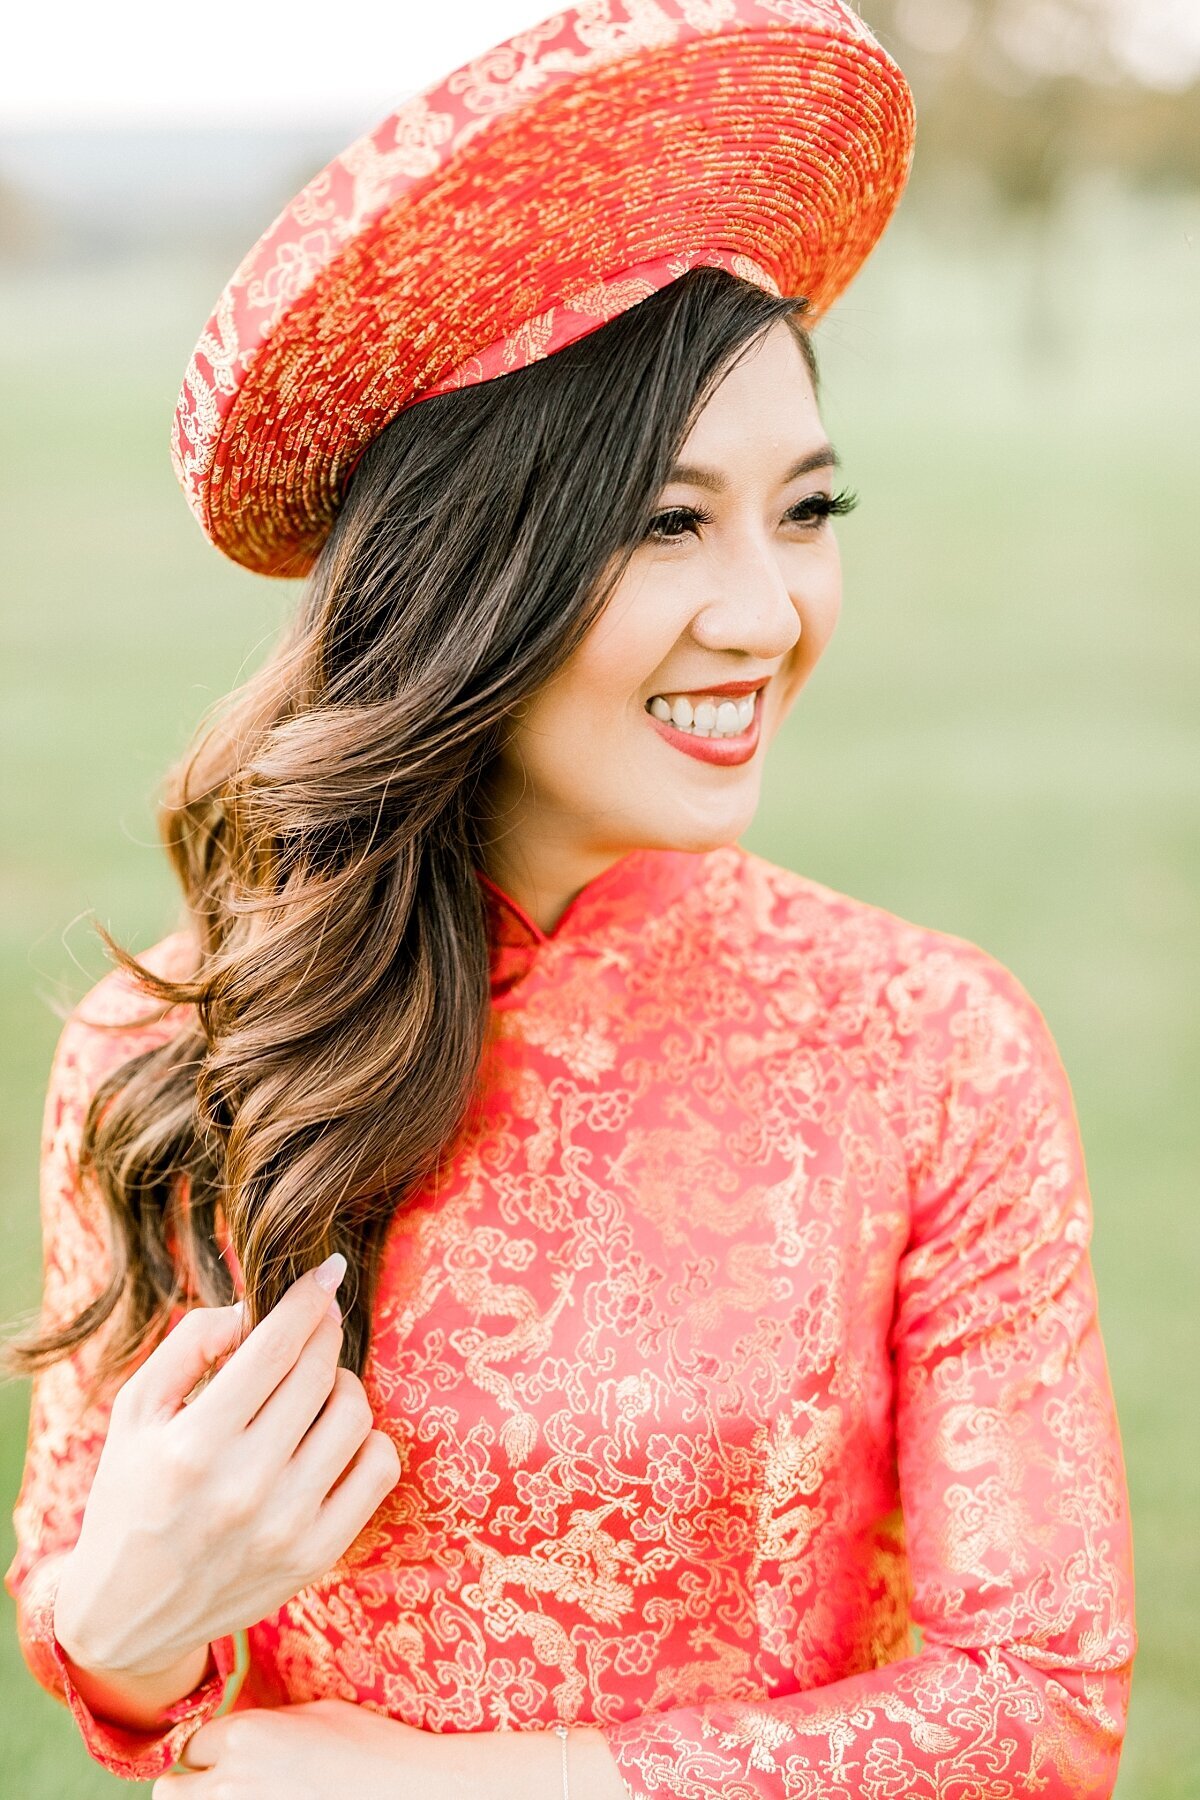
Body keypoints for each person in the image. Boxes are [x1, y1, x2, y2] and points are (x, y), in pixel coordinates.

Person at [4, 3, 1135, 1797]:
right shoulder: (173, 1056)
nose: (766, 613)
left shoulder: (928, 1050)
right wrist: (119, 1630)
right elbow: (111, 1651)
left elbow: (1045, 1701)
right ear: (475, 572)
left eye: (806, 507)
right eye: (671, 524)